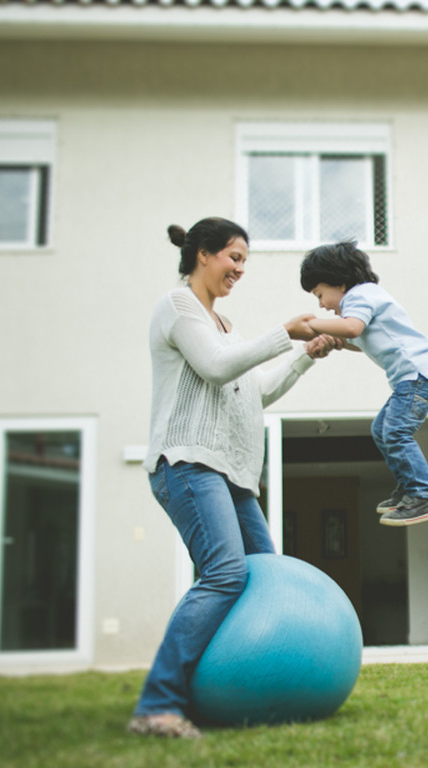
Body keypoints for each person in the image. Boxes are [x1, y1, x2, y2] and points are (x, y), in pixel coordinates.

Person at [129, 217, 334, 739]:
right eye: (233, 257)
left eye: (244, 261)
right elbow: (218, 369)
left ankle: (252, 690)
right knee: (225, 575)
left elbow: (254, 391)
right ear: (202, 254)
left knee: (264, 577)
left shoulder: (225, 328)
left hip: (232, 476)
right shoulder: (178, 308)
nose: (239, 269)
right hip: (189, 462)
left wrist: (303, 358)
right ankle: (157, 706)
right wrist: (283, 332)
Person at [299, 240, 428, 527]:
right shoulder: (364, 299)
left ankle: (422, 495)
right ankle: (408, 489)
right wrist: (337, 343)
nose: (320, 304)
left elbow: (352, 328)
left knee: (394, 431)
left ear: (339, 283)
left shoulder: (359, 296)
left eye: (320, 294)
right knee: (381, 429)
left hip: (420, 375)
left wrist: (313, 323)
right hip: (416, 377)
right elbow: (357, 339)